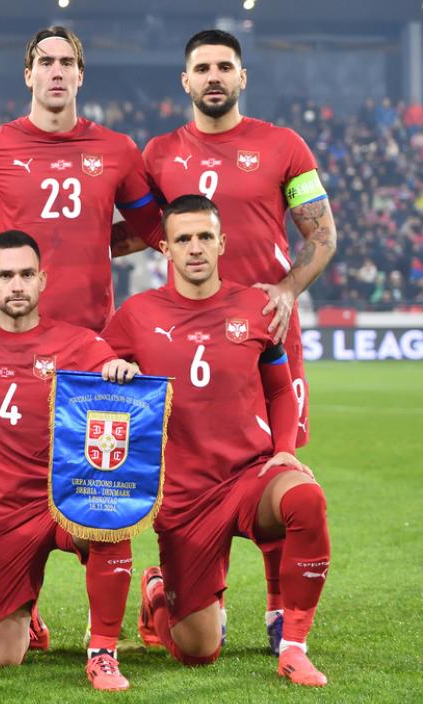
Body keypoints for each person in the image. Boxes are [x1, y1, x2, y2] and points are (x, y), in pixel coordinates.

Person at [0, 23, 161, 652]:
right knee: (7, 485)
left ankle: (104, 628)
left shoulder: (117, 149)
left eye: (67, 62)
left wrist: (97, 244)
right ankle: (19, 604)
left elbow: (152, 227)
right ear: (28, 73)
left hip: (89, 346)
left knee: (97, 487)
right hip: (12, 344)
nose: (56, 71)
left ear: (81, 75)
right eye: (46, 61)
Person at [138, 29, 339, 651]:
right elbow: (140, 231)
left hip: (268, 333)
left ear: (242, 77)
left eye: (225, 66)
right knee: (196, 463)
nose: (214, 76)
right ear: (186, 81)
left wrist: (288, 290)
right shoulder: (158, 154)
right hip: (192, 338)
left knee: (280, 460)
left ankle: (279, 608)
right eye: (202, 68)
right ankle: (189, 588)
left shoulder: (283, 146)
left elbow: (322, 235)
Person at [101, 194, 331, 687]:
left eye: (205, 236)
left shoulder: (255, 306)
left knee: (305, 499)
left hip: (249, 477)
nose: (195, 247)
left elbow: (279, 389)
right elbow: (95, 377)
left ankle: (294, 647)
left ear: (222, 242)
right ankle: (157, 591)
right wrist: (112, 367)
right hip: (184, 496)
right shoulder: (135, 315)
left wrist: (284, 450)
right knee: (197, 652)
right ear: (165, 248)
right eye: (183, 238)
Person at [0, 230, 139, 691]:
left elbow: (117, 382)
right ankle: (27, 614)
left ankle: (102, 653)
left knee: (110, 516)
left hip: (67, 500)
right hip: (5, 520)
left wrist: (122, 370)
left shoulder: (79, 344)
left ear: (42, 280)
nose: (16, 285)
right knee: (0, 660)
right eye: (5, 276)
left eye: (25, 275)